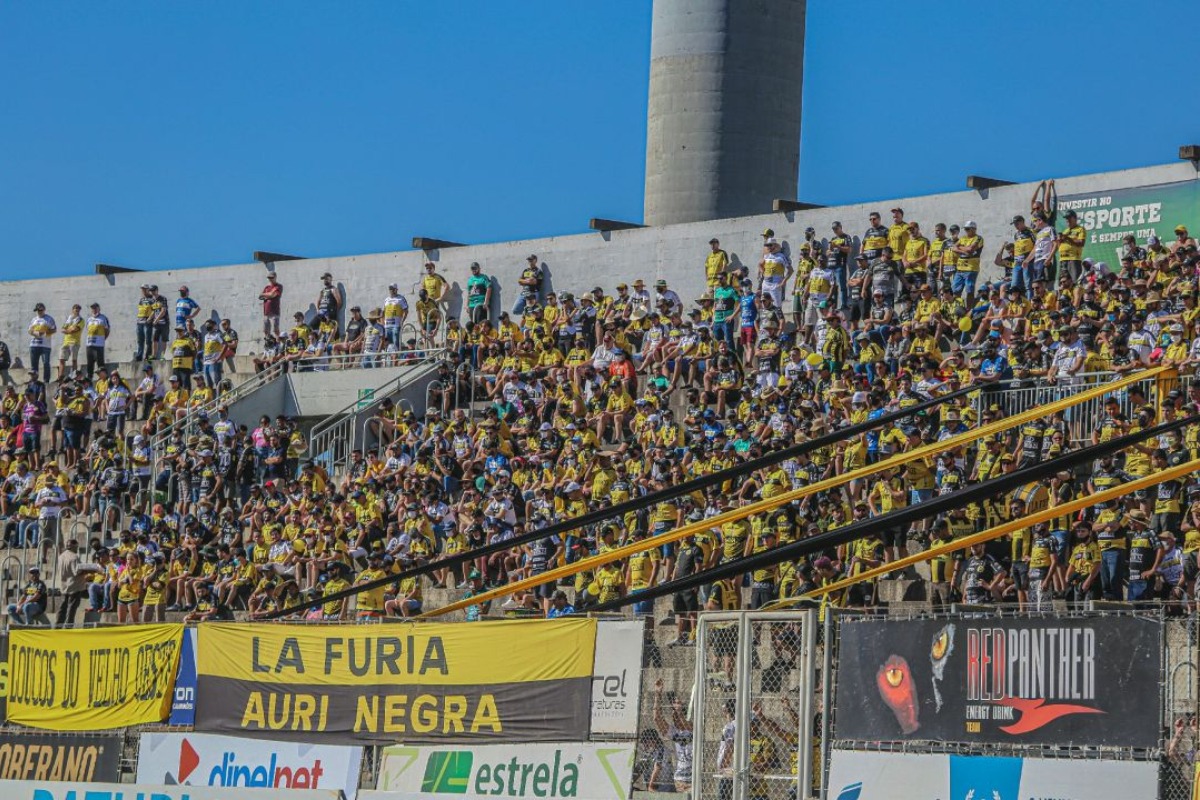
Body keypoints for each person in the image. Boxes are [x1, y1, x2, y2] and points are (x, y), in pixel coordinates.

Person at [27, 302, 56, 383]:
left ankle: (46, 380)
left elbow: (54, 329)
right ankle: (34, 380)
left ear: (44, 310)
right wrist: (35, 333)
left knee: (46, 363)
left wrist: (44, 332)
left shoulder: (49, 319)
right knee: (34, 364)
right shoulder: (34, 319)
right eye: (37, 310)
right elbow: (29, 330)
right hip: (34, 344)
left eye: (40, 310)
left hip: (45, 346)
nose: (39, 312)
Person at [84, 302, 110, 379]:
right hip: (89, 345)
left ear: (99, 309)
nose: (94, 310)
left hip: (99, 345)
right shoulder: (89, 319)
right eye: (92, 308)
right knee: (89, 364)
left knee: (100, 364)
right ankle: (89, 379)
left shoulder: (103, 318)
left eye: (95, 308)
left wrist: (103, 339)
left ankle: (103, 379)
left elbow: (107, 330)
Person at [59, 303, 83, 382]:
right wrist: (68, 331)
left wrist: (67, 330)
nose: (77, 310)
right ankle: (60, 377)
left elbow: (75, 329)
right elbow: (62, 329)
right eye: (75, 309)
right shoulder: (69, 319)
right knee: (62, 359)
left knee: (74, 360)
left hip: (74, 342)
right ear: (72, 310)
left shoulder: (80, 320)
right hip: (66, 342)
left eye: (78, 309)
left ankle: (74, 376)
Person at [259, 271, 283, 338]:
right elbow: (260, 296)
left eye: (271, 277)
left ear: (275, 277)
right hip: (266, 312)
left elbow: (273, 295)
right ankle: (268, 342)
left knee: (275, 329)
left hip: (275, 311)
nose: (270, 279)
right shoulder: (267, 287)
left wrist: (267, 295)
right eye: (269, 277)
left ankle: (279, 342)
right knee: (266, 329)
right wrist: (268, 294)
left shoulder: (278, 286)